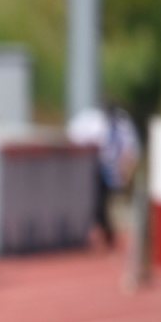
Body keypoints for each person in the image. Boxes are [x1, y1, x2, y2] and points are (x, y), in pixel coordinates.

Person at [65, 101, 140, 249]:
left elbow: (131, 149)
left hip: (116, 172)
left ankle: (110, 233)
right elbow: (76, 137)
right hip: (98, 169)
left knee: (113, 204)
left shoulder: (123, 125)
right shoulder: (94, 121)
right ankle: (104, 232)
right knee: (99, 203)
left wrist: (125, 171)